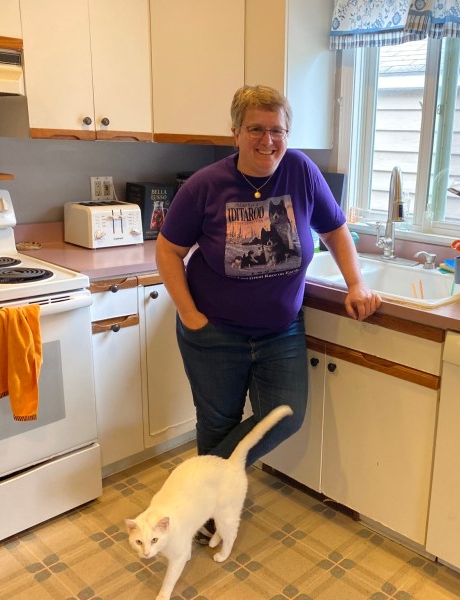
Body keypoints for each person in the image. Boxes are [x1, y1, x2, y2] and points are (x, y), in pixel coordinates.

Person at [155, 84, 381, 542]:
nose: (267, 140)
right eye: (255, 129)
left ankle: (192, 493)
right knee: (217, 422)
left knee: (287, 414)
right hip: (213, 330)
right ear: (235, 132)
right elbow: (167, 251)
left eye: (277, 130)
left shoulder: (299, 170)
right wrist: (190, 315)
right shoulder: (206, 185)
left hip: (281, 331)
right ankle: (206, 514)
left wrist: (356, 283)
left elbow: (336, 229)